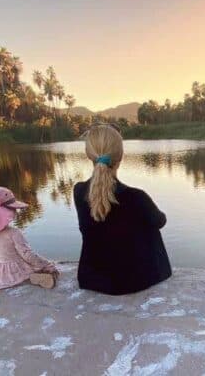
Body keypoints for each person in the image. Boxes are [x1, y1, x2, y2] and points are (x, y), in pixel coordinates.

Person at [73, 124, 172, 295]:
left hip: (91, 279)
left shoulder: (79, 191)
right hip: (134, 281)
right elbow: (160, 221)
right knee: (148, 224)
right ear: (121, 156)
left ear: (89, 155)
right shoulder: (136, 197)